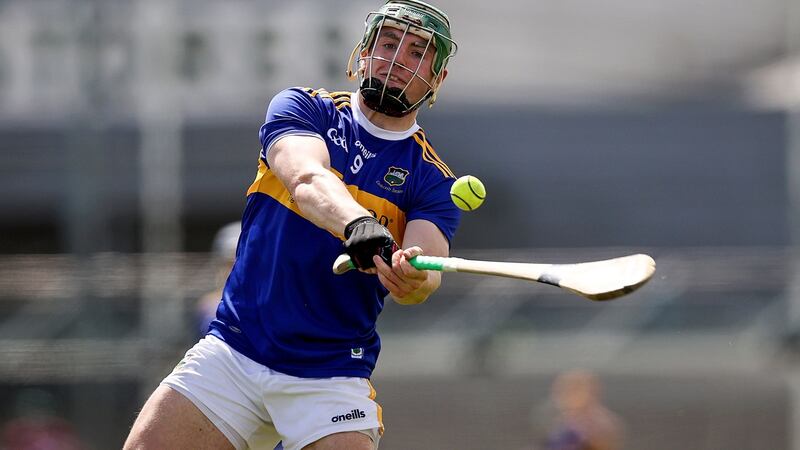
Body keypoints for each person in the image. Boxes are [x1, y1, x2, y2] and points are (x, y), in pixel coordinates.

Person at [124, 1, 460, 449]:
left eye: (418, 53)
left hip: (330, 373)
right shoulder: (305, 108)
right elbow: (305, 178)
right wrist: (358, 223)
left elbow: (423, 274)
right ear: (364, 51)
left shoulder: (433, 179)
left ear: (436, 79)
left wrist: (411, 273)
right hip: (236, 349)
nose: (399, 59)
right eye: (389, 42)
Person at [536, 370, 625, 450]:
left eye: (574, 389)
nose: (566, 395)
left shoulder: (601, 423)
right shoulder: (555, 421)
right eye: (562, 389)